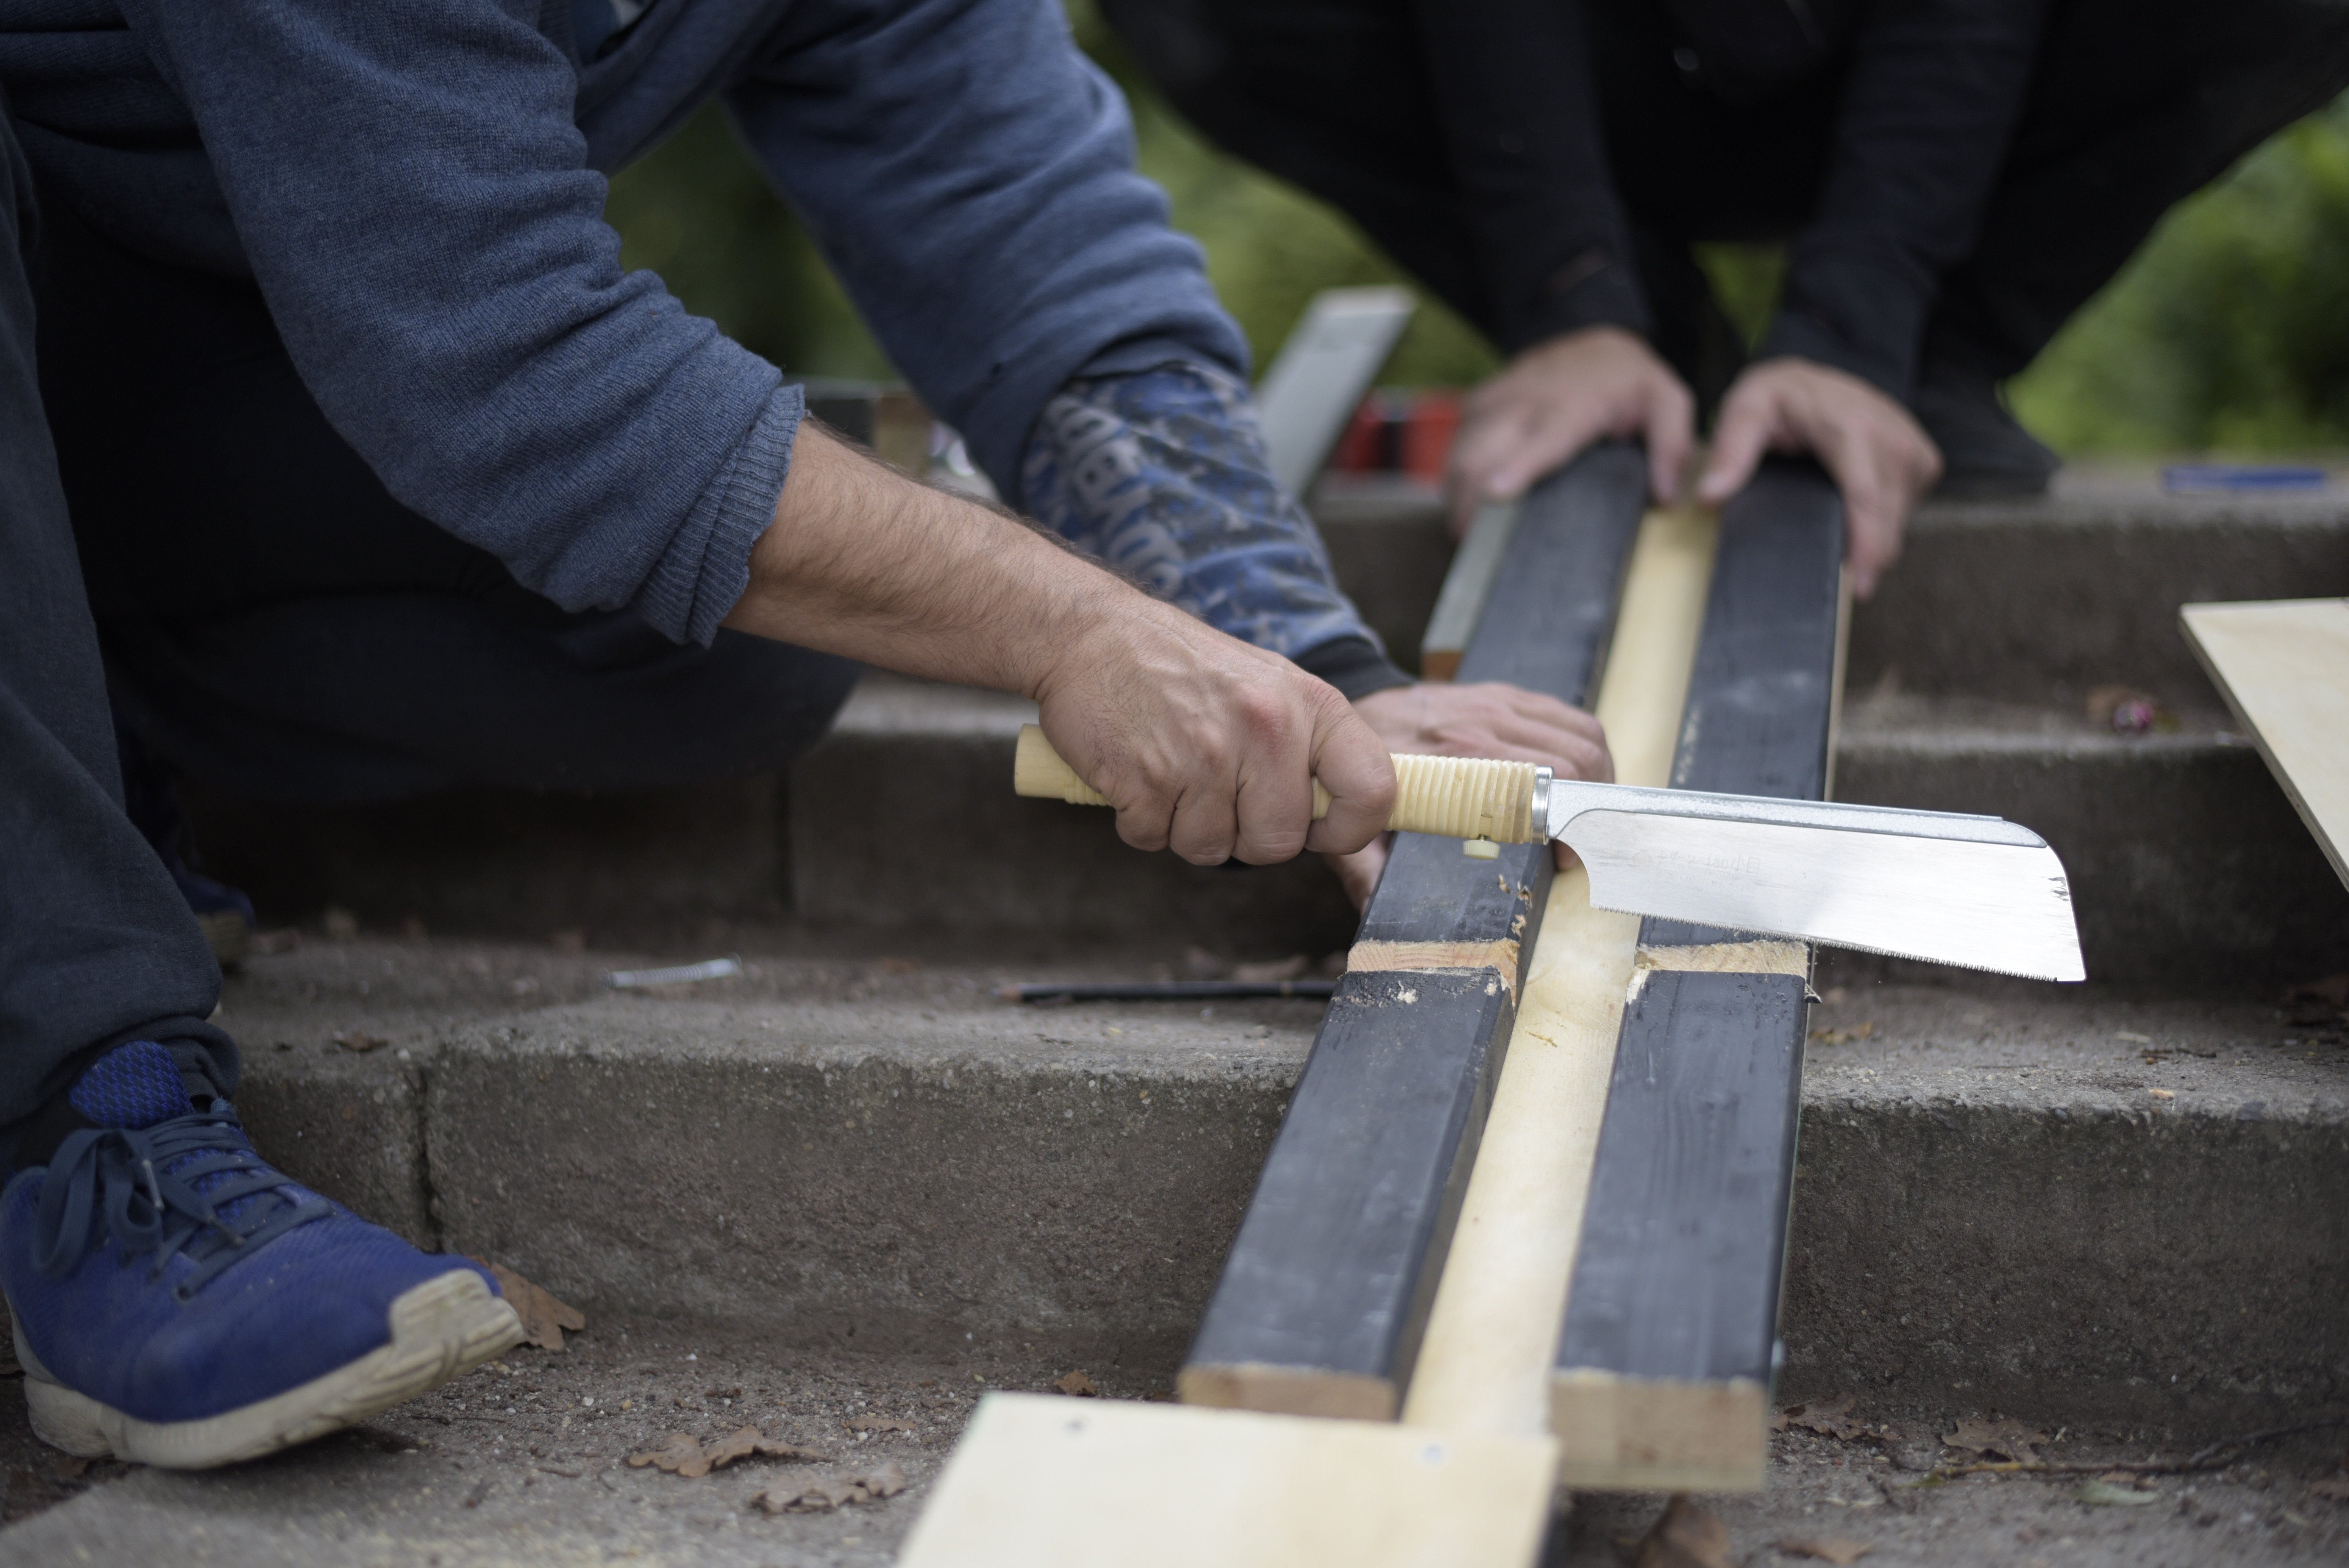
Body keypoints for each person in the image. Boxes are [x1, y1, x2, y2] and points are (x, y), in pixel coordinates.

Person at [0, 0, 1607, 1468]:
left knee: (726, 641)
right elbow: (505, 349)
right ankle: (80, 1118)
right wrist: (1079, 626)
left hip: (165, 371)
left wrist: (1292, 653)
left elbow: (1030, 234)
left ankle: (71, 725)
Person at [1101, 0, 2349, 595]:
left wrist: (1854, 327)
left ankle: (1921, 367)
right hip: (1595, 76)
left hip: (1913, 82)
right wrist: (1572, 296)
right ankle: (1647, 346)